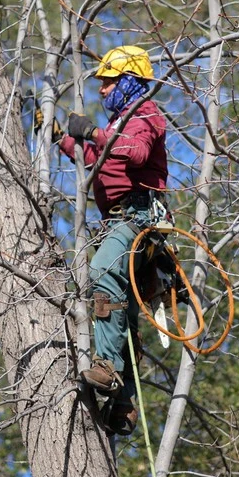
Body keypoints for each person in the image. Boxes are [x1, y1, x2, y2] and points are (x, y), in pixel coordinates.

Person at [56, 44, 168, 435]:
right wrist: (61, 136)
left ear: (129, 80)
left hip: (137, 217)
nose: (102, 90)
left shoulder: (144, 113)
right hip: (120, 221)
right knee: (121, 307)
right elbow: (93, 158)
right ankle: (122, 406)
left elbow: (135, 154)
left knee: (103, 273)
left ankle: (108, 369)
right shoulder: (120, 122)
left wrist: (92, 131)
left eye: (108, 82)